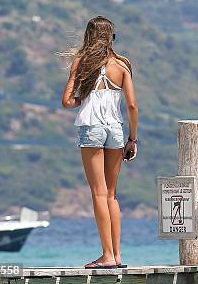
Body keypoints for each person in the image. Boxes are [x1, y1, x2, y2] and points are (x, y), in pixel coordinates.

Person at [61, 16, 139, 269]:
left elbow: (67, 102)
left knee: (98, 193)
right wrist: (133, 139)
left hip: (92, 128)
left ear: (89, 37)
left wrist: (86, 98)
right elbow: (132, 106)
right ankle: (117, 256)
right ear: (110, 38)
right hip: (116, 130)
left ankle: (106, 256)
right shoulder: (123, 65)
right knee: (112, 195)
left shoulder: (81, 63)